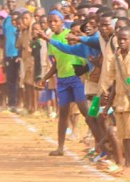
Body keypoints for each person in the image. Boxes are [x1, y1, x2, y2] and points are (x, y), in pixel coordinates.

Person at [40, 10, 98, 156]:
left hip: (77, 77)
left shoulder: (71, 34)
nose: (52, 24)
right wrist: (45, 77)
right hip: (62, 79)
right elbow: (56, 63)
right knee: (63, 113)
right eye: (50, 21)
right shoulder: (51, 40)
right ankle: (60, 147)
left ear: (61, 21)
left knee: (85, 111)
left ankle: (99, 144)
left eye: (55, 21)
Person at [102, 26, 130, 176]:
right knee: (123, 134)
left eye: (125, 39)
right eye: (120, 39)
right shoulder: (116, 57)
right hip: (119, 101)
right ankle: (126, 164)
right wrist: (108, 105)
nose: (122, 41)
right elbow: (115, 83)